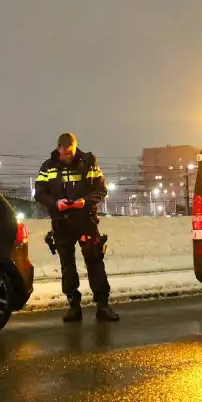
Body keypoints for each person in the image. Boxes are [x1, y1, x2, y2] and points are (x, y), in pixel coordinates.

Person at [34, 132, 119, 322]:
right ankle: (73, 306)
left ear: (75, 146)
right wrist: (56, 203)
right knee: (67, 264)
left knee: (95, 260)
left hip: (85, 219)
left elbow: (101, 189)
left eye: (71, 152)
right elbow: (39, 193)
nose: (69, 156)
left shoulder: (88, 163)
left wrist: (85, 201)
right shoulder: (48, 167)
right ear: (59, 149)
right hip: (61, 221)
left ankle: (103, 306)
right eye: (65, 153)